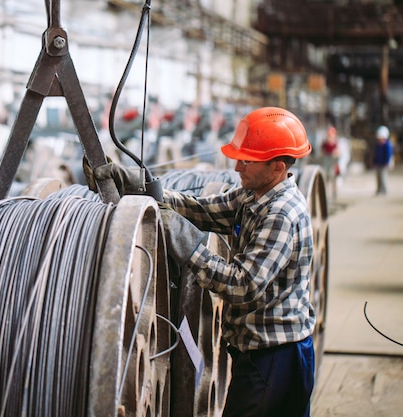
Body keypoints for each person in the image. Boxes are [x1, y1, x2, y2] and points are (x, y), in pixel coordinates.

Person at [86, 106, 316, 417]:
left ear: (277, 166)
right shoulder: (255, 196)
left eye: (246, 160)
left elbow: (242, 285)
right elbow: (202, 209)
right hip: (258, 352)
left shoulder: (281, 214)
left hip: (276, 357)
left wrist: (189, 246)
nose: (236, 167)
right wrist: (140, 187)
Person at [373, 125, 394, 195]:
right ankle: (379, 190)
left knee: (383, 178)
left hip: (384, 164)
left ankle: (384, 190)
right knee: (378, 178)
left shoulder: (387, 145)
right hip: (378, 163)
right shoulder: (378, 145)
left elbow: (388, 155)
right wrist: (374, 161)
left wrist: (386, 162)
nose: (380, 139)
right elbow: (375, 154)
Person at [321, 125, 340, 200]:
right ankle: (326, 195)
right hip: (327, 164)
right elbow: (322, 153)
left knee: (333, 180)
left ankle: (334, 194)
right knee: (327, 179)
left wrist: (335, 154)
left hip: (333, 165)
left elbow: (338, 153)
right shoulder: (325, 144)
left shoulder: (335, 143)